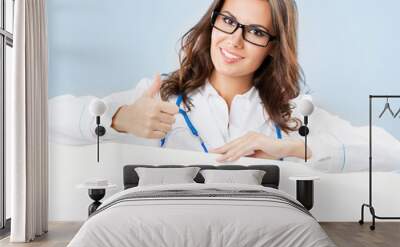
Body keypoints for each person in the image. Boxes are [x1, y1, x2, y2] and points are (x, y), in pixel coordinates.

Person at [49, 0, 400, 173]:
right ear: (213, 20)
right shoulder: (159, 98)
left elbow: (389, 151)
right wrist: (119, 118)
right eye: (229, 21)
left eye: (256, 32)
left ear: (273, 46)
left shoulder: (292, 116)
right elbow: (42, 116)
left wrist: (293, 149)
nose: (235, 41)